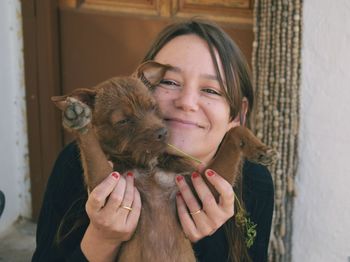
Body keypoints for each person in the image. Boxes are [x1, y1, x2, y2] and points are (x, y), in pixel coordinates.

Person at [32, 19, 274, 262]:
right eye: (169, 82)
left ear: (239, 114)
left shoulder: (253, 183)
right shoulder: (75, 163)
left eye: (211, 90)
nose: (186, 102)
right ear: (142, 85)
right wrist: (102, 239)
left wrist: (206, 237)